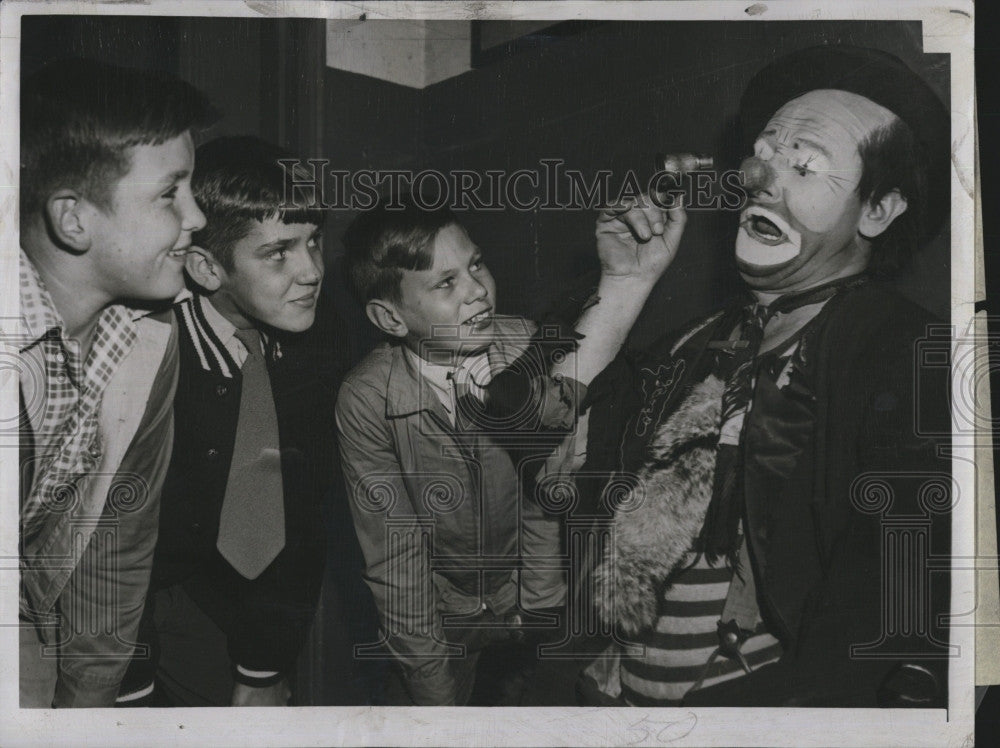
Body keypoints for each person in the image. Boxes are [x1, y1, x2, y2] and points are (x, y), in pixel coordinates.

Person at [576, 44, 953, 708]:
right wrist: (624, 284)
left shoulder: (907, 349)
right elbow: (554, 467)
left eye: (803, 164)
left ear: (878, 210)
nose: (757, 175)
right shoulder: (693, 347)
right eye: (763, 153)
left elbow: (883, 595)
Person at [336, 193, 686, 705]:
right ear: (390, 319)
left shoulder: (523, 344)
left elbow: (544, 485)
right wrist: (436, 701)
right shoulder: (367, 400)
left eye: (475, 265)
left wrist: (539, 604)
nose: (477, 290)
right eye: (445, 283)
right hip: (437, 617)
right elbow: (395, 559)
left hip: (536, 603)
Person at [18, 57, 213, 707]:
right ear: (73, 220)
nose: (198, 218)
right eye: (170, 193)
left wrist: (87, 715)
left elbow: (115, 548)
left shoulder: (146, 345)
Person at [115, 136, 335, 707]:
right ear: (208, 268)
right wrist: (126, 689)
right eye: (279, 252)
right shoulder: (146, 349)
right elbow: (106, 540)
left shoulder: (314, 341)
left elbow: (301, 516)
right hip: (122, 598)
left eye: (314, 242)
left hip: (223, 599)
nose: (312, 271)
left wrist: (262, 670)